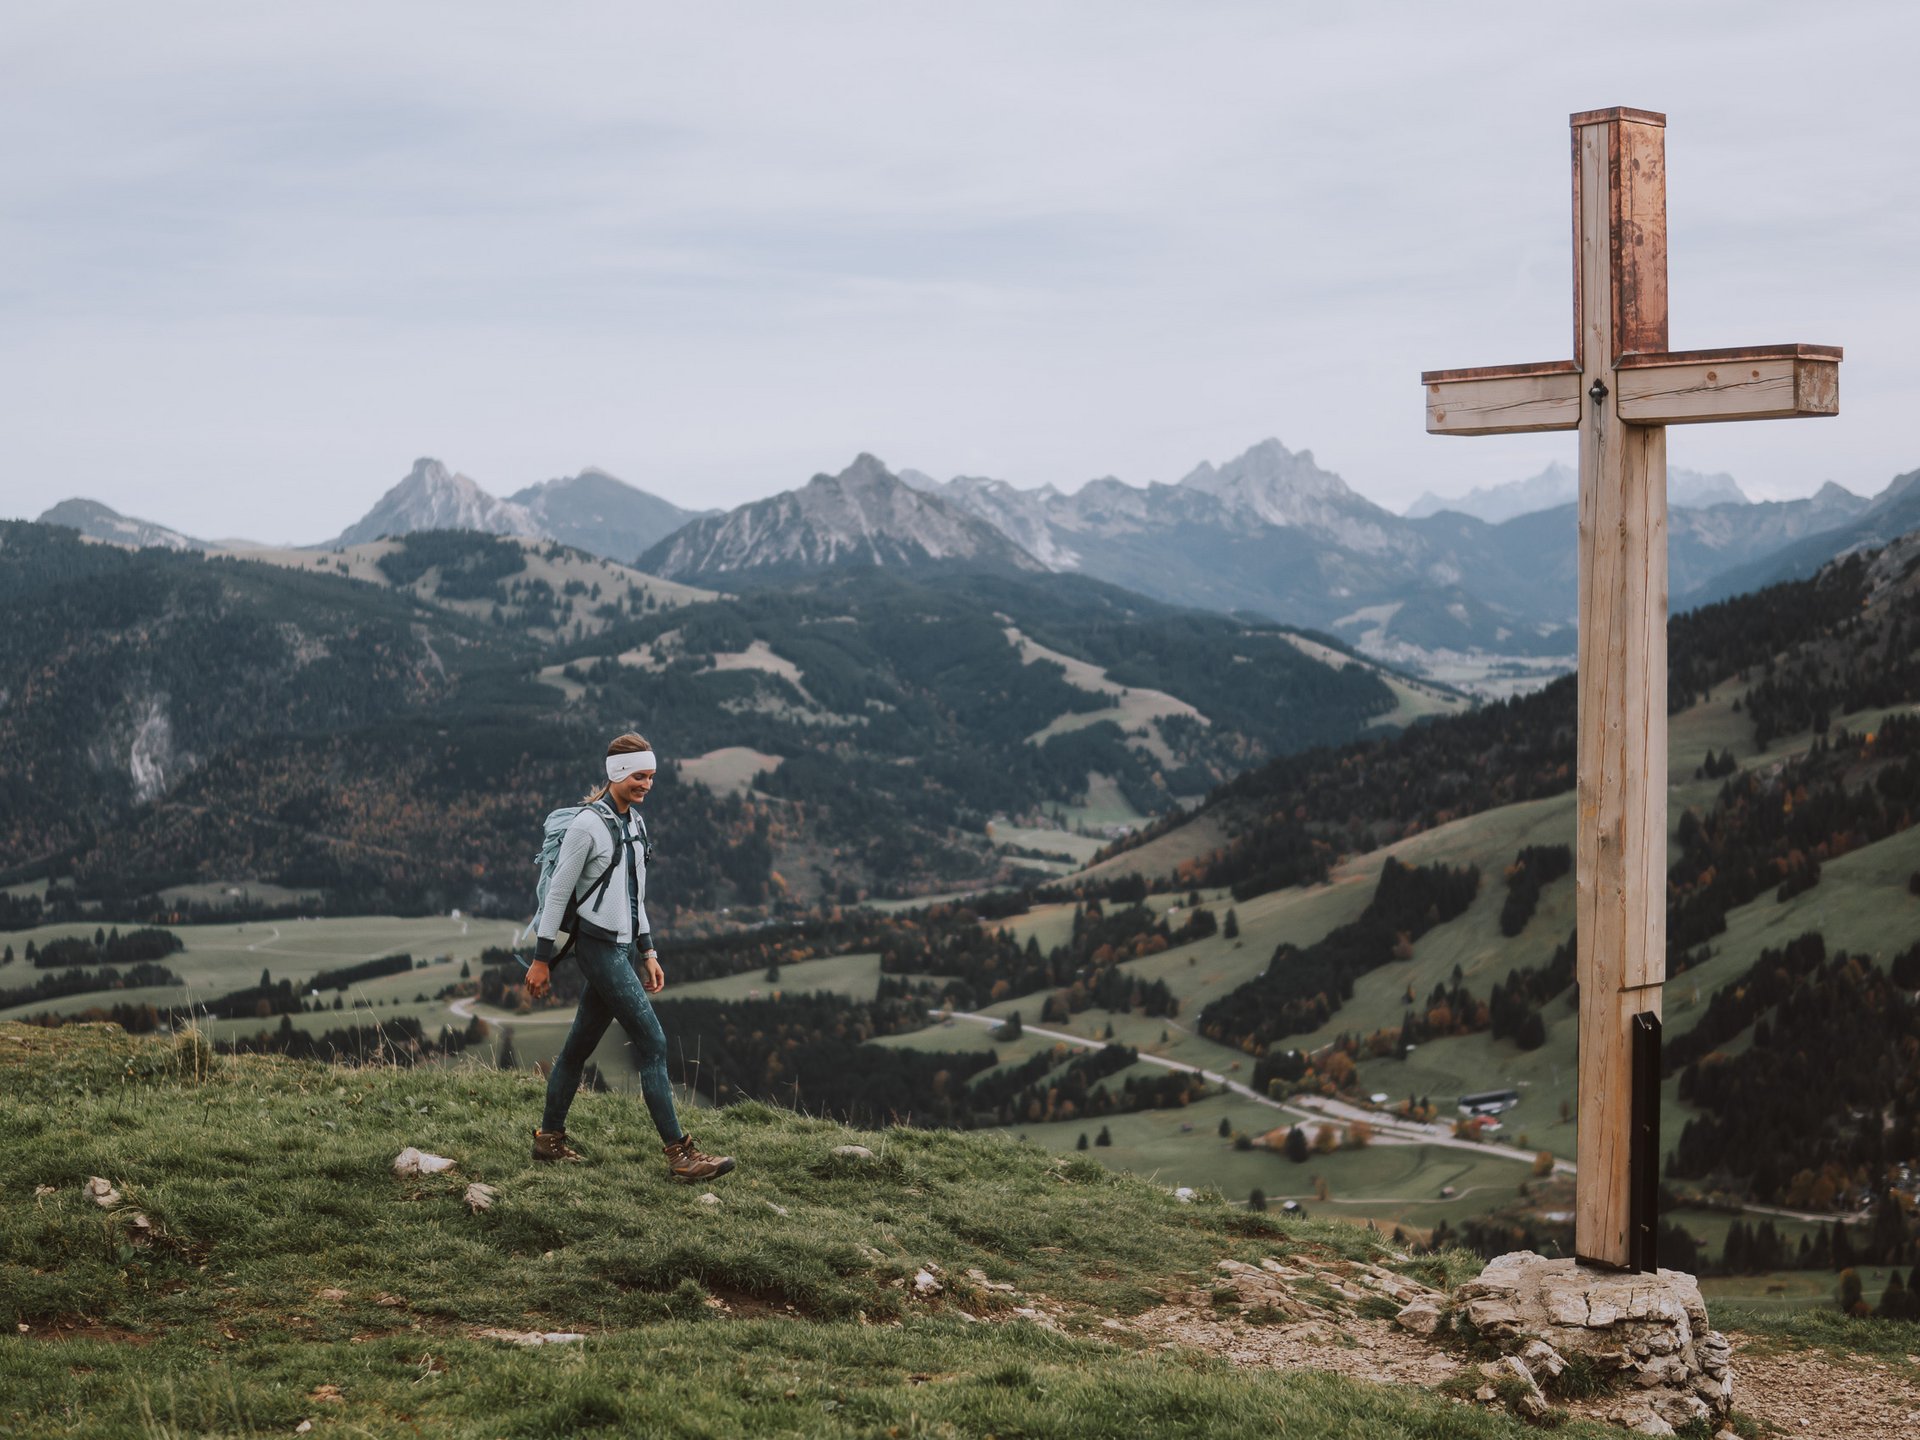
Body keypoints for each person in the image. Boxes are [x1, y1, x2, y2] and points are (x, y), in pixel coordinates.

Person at [526, 732, 734, 1183]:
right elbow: (559, 893)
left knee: (578, 1048)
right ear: (617, 773)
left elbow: (635, 895)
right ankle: (680, 1156)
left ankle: (549, 1140)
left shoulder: (635, 824)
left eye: (652, 776)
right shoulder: (587, 826)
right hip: (598, 950)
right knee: (653, 1043)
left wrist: (648, 951)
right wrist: (541, 959)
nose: (647, 784)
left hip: (622, 948)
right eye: (640, 775)